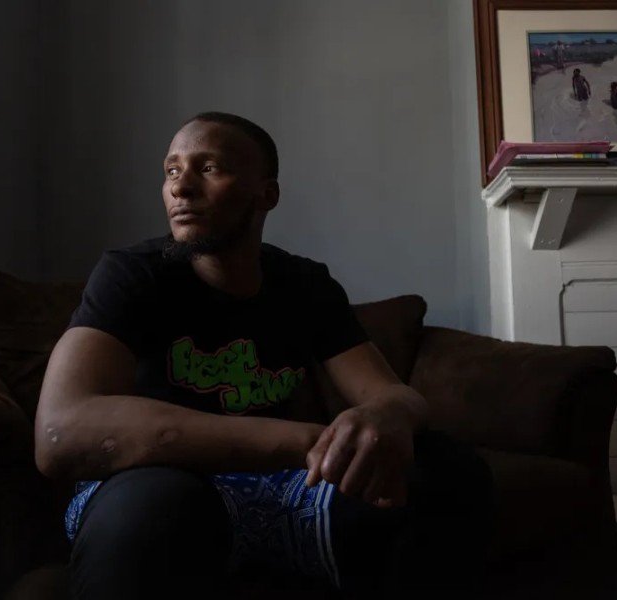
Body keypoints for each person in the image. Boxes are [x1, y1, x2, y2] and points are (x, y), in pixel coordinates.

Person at [34, 111, 493, 599]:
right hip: (154, 483)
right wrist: (308, 442)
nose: (180, 188)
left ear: (265, 194)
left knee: (446, 468)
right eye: (172, 171)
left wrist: (389, 414)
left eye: (208, 168)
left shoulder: (305, 284)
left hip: (286, 494)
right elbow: (61, 429)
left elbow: (392, 395)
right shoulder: (132, 275)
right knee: (160, 504)